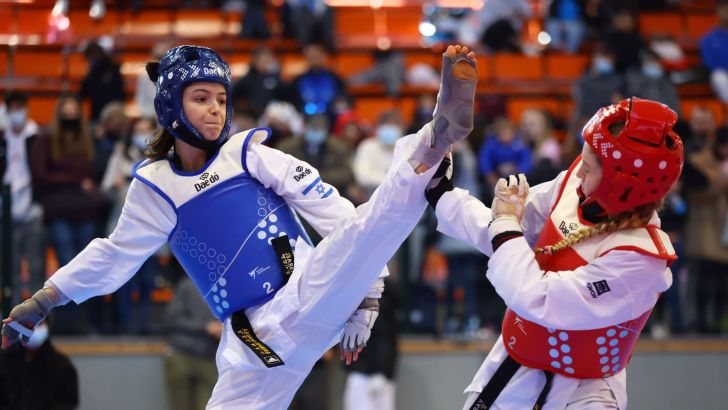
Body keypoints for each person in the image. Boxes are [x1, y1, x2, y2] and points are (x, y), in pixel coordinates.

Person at [2, 43, 479, 409]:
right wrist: (47, 299)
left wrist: (369, 294)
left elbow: (329, 207)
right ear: (169, 108)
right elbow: (114, 255)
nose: (215, 108)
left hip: (307, 290)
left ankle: (433, 141)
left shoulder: (248, 153)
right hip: (253, 343)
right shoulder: (155, 187)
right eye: (201, 98)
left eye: (220, 98)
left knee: (366, 226)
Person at [426, 97, 683, 409]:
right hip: (514, 369)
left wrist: (506, 223)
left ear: (621, 185)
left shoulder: (640, 259)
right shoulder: (574, 186)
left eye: (589, 168)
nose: (579, 173)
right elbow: (508, 237)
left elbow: (538, 298)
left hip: (583, 393)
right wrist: (445, 197)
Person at [0, 92, 45, 305]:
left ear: (27, 109)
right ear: (6, 111)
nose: (16, 112)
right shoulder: (2, 138)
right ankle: (12, 314)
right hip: (5, 211)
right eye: (12, 108)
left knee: (36, 267)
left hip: (33, 210)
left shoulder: (38, 137)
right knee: (10, 268)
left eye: (20, 107)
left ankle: (39, 315)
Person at [164, 275, 221, 410]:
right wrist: (205, 327)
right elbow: (172, 319)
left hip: (210, 357)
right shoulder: (187, 286)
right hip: (182, 355)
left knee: (209, 406)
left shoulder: (226, 288)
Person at [0, 320, 79, 410]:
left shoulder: (63, 366)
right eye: (26, 324)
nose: (33, 328)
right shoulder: (3, 361)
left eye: (39, 323)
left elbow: (68, 403)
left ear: (47, 326)